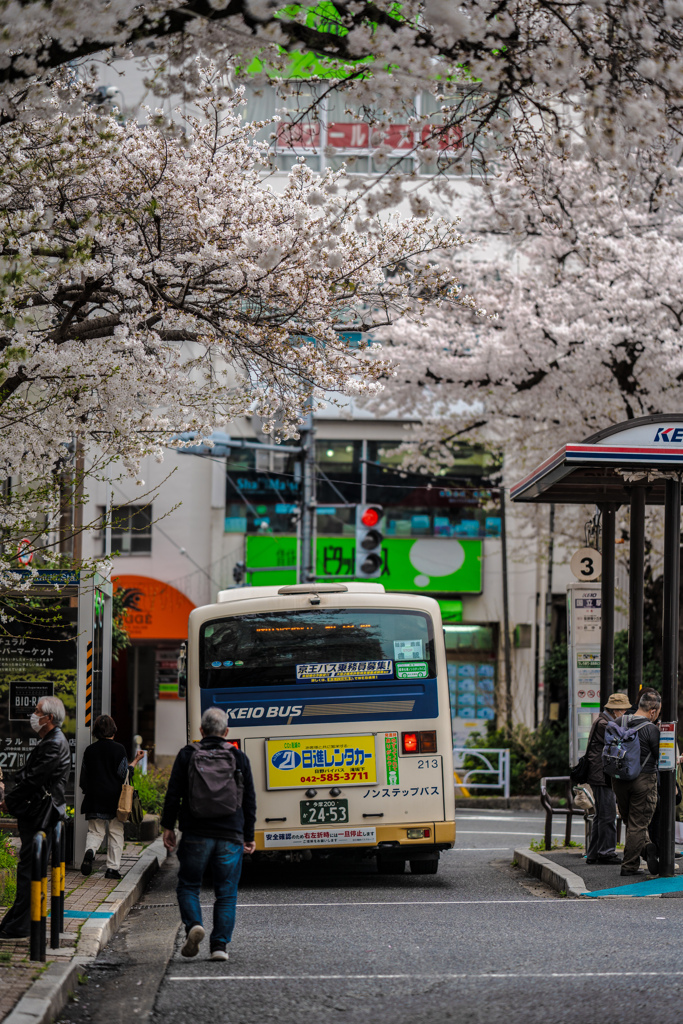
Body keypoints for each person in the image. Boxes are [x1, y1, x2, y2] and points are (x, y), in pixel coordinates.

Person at [161, 706, 256, 962]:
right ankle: (219, 947)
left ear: (202, 731)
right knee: (226, 892)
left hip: (195, 833)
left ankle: (194, 925)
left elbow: (173, 794)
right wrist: (249, 835)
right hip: (231, 834)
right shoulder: (238, 757)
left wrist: (168, 827)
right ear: (226, 732)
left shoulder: (187, 754)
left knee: (189, 886)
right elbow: (249, 800)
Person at [0, 696, 71, 938]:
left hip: (41, 814)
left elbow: (34, 780)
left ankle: (20, 926)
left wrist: (9, 801)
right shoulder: (53, 740)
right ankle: (18, 922)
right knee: (30, 869)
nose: (33, 714)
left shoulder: (53, 743)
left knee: (30, 870)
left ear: (48, 718)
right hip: (41, 813)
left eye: (37, 711)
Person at [79, 715, 145, 880]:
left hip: (94, 798)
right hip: (115, 800)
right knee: (116, 833)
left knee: (95, 831)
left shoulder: (89, 750)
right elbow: (124, 774)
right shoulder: (119, 749)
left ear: (96, 731)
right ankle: (112, 869)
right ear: (113, 730)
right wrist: (135, 761)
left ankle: (91, 851)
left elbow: (83, 779)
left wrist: (89, 790)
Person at [611, 690, 661, 877]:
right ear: (653, 711)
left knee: (630, 822)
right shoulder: (651, 729)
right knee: (638, 824)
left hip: (619, 780)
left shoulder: (617, 723)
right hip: (643, 780)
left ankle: (647, 848)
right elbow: (661, 758)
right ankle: (630, 866)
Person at [585, 691, 631, 865]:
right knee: (608, 814)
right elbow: (624, 737)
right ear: (616, 710)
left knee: (601, 815)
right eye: (623, 710)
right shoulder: (606, 724)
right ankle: (606, 852)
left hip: (598, 774)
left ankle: (594, 853)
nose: (624, 713)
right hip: (601, 775)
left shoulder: (602, 720)